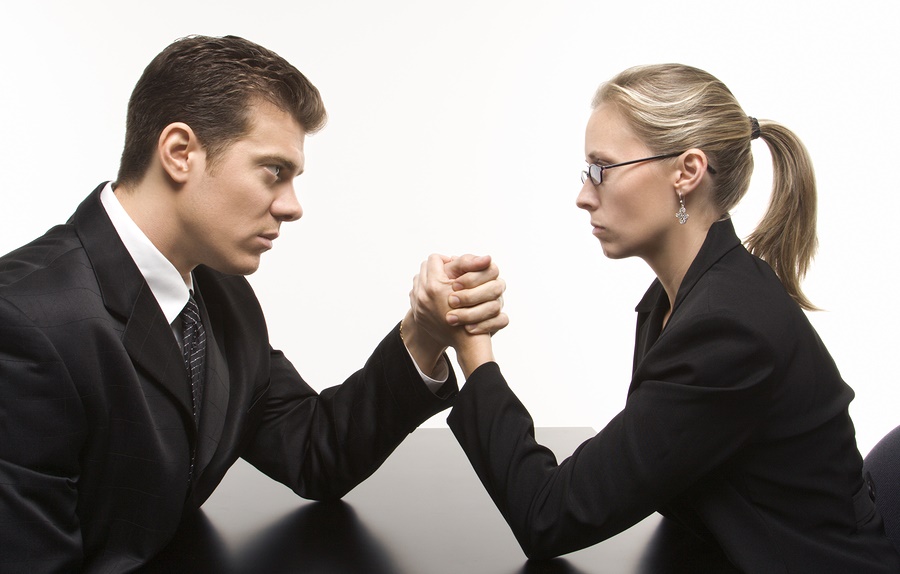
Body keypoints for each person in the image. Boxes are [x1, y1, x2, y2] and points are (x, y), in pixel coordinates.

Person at [0, 35, 506, 572]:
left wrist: (424, 332)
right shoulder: (24, 322)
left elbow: (314, 451)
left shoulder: (220, 296)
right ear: (179, 153)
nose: (292, 207)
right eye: (274, 171)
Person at [411, 64, 900, 571]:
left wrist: (474, 349)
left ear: (686, 171)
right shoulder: (674, 302)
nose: (583, 195)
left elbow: (549, 516)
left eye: (602, 168)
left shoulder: (728, 329)